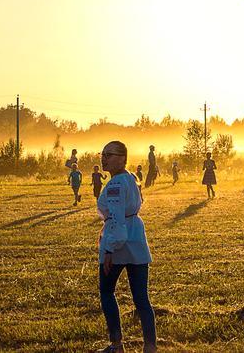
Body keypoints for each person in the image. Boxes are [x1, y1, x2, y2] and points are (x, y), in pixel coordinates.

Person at [96, 141, 156, 353]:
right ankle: (150, 346)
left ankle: (116, 344)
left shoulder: (114, 185)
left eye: (109, 154)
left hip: (118, 240)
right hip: (136, 239)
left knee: (106, 291)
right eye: (103, 154)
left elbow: (117, 220)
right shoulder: (131, 178)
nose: (104, 158)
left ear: (122, 158)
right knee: (141, 297)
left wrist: (110, 249)